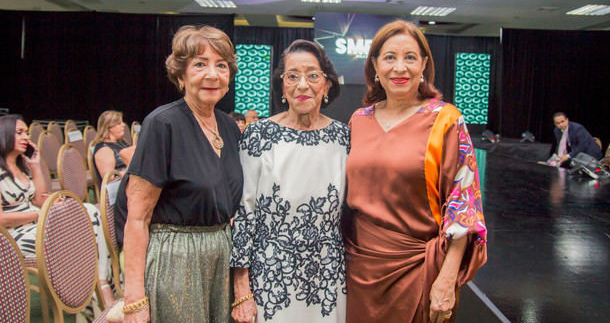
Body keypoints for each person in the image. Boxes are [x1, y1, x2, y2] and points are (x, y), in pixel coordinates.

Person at [343, 20, 487, 323]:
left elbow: (463, 207)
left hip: (418, 271)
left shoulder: (446, 120)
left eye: (410, 57)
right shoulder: (359, 120)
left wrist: (447, 278)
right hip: (357, 270)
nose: (400, 68)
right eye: (390, 57)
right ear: (375, 66)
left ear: (423, 65)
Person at [115, 25, 243, 323]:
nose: (212, 74)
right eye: (200, 64)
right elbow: (137, 218)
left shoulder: (228, 127)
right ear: (181, 74)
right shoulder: (162, 124)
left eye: (221, 65)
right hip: (176, 260)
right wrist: (134, 298)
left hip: (221, 257)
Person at [231, 40, 349, 323]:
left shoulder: (344, 137)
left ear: (327, 85)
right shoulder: (258, 135)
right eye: (292, 76)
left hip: (327, 273)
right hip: (269, 275)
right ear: (282, 86)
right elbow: (244, 215)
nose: (302, 85)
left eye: (313, 75)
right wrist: (241, 290)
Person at [0, 114, 115, 306]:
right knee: (76, 238)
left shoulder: (22, 166)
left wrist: (36, 166)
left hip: (35, 224)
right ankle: (92, 294)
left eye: (27, 133)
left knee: (89, 211)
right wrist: (39, 215)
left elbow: (38, 198)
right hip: (11, 237)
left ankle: (100, 282)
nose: (26, 138)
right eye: (19, 133)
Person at [92, 110, 135, 184]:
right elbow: (110, 180)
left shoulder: (121, 142)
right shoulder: (104, 150)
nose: (123, 125)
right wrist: (134, 170)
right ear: (109, 127)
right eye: (119, 123)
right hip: (119, 190)